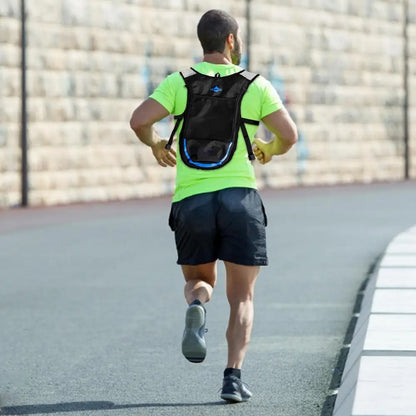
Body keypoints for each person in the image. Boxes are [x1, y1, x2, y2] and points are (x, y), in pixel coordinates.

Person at [130, 9, 297, 403]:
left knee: (199, 281)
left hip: (192, 201)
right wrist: (268, 149)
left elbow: (139, 119)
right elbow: (289, 135)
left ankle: (198, 306)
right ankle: (232, 378)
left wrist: (155, 143)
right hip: (240, 199)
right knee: (242, 297)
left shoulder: (179, 82)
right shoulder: (255, 85)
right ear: (231, 41)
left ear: (202, 41)